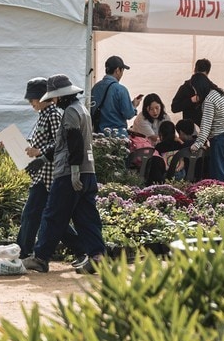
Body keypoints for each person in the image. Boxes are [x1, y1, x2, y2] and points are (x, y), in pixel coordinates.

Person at [23, 74, 107, 275]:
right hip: (88, 173)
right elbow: (63, 144)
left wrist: (74, 173)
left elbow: (74, 142)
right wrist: (42, 160)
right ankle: (97, 257)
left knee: (53, 215)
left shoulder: (69, 112)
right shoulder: (82, 109)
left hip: (69, 174)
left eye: (54, 98)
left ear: (61, 97)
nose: (53, 101)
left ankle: (41, 258)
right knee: (86, 217)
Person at [17, 77, 78, 261]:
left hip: (48, 175)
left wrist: (39, 151)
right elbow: (42, 143)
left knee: (32, 213)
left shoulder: (54, 115)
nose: (31, 103)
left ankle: (22, 251)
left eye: (32, 99)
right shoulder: (44, 115)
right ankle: (83, 248)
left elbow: (59, 143)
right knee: (51, 218)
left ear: (42, 98)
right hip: (42, 174)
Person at [194, 76, 224, 184]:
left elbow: (206, 125)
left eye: (195, 89)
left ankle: (222, 199)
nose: (195, 93)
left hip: (218, 139)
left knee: (218, 176)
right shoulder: (221, 92)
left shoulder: (209, 100)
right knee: (223, 172)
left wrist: (197, 144)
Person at [90, 55, 138, 136]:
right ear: (117, 70)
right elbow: (128, 114)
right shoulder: (121, 90)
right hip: (118, 137)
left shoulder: (95, 88)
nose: (122, 73)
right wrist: (134, 106)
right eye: (122, 70)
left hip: (99, 135)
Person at [171, 59, 214, 129]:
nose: (200, 80)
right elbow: (174, 107)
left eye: (202, 77)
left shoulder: (211, 87)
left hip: (207, 127)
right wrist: (190, 100)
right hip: (189, 129)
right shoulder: (186, 87)